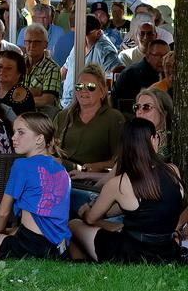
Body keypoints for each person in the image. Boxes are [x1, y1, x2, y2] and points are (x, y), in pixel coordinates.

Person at [69, 118, 184, 263]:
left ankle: (79, 264)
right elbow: (153, 206)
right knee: (114, 227)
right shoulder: (173, 171)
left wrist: (85, 211)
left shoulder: (120, 182)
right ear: (153, 140)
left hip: (132, 253)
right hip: (167, 250)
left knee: (74, 224)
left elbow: (91, 219)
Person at [0, 112, 71, 259]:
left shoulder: (22, 165)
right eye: (14, 132)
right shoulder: (61, 170)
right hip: (60, 248)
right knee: (16, 230)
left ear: (39, 139)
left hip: (31, 245)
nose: (13, 137)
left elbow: (3, 212)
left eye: (21, 132)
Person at [55, 63, 124, 173]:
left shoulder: (114, 118)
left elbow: (120, 160)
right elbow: (50, 149)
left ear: (102, 92)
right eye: (79, 86)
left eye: (91, 87)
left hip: (93, 178)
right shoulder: (63, 116)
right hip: (60, 173)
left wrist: (88, 168)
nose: (83, 90)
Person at [60, 17, 120, 108]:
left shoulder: (105, 51)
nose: (81, 39)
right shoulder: (79, 43)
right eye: (78, 34)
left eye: (86, 35)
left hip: (86, 106)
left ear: (98, 33)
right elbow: (65, 69)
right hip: (65, 103)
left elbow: (112, 80)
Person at [111, 39, 168, 107]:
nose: (163, 59)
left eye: (166, 55)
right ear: (148, 56)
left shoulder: (168, 73)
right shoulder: (131, 74)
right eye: (158, 55)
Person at [21, 23, 62, 114]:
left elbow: (46, 100)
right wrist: (35, 92)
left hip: (43, 117)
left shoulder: (52, 68)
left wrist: (20, 99)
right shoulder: (18, 64)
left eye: (37, 42)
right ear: (24, 43)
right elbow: (9, 91)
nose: (32, 45)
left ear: (45, 45)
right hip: (20, 115)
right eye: (28, 41)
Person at [133, 88, 174, 160]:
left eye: (146, 107)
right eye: (137, 107)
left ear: (163, 112)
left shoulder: (174, 144)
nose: (139, 112)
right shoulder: (132, 139)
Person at [0, 50, 35, 116]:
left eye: (8, 68)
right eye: (0, 67)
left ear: (19, 73)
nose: (2, 71)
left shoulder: (23, 95)